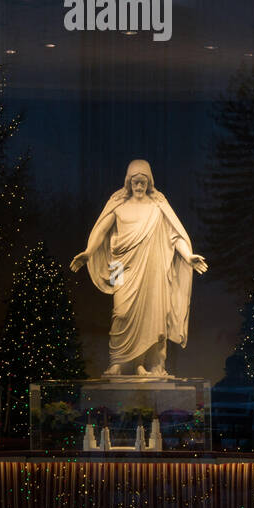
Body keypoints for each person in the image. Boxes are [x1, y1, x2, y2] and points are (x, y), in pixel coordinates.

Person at [70, 159, 207, 378]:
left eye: (143, 182)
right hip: (119, 266)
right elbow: (101, 229)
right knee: (121, 312)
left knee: (152, 316)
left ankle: (143, 365)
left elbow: (174, 235)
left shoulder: (157, 207)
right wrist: (88, 251)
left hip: (153, 269)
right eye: (136, 182)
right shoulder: (118, 205)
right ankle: (117, 362)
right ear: (129, 182)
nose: (139, 186)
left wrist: (188, 256)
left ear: (149, 182)